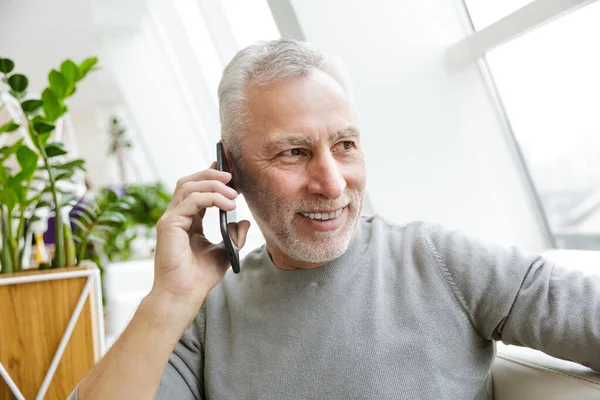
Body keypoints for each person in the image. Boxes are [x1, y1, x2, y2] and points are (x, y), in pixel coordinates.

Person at [70, 38, 600, 400]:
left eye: (345, 145)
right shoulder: (203, 315)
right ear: (229, 169)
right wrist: (165, 304)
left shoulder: (442, 263)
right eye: (294, 152)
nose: (332, 182)